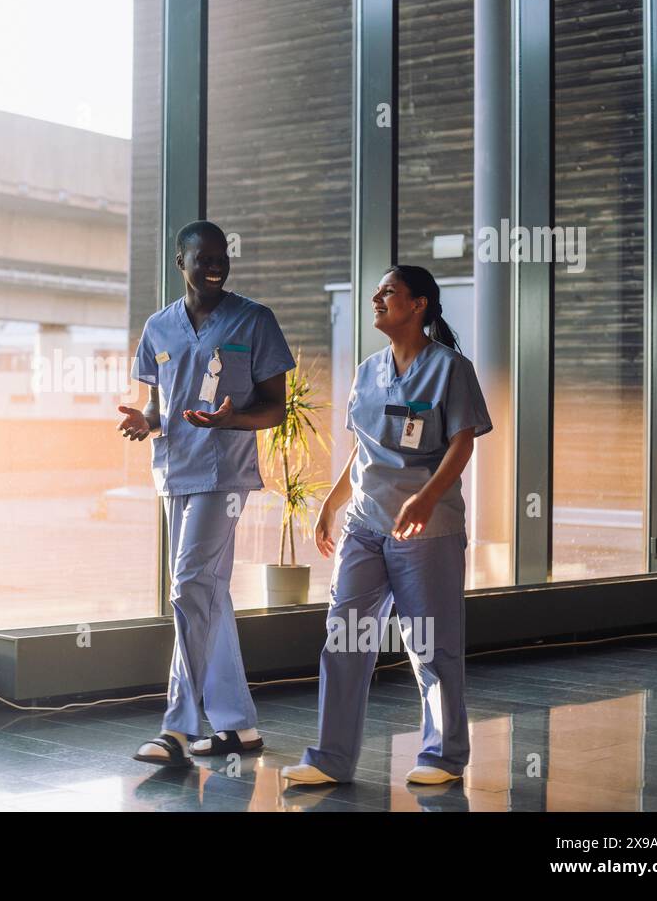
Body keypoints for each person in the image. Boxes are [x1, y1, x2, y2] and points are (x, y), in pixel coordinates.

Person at [281, 264, 492, 787]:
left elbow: (463, 440)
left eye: (389, 292)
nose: (377, 298)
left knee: (430, 643)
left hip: (428, 528)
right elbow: (364, 448)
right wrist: (332, 503)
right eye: (376, 291)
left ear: (418, 304)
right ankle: (330, 759)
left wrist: (426, 497)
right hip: (365, 524)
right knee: (344, 640)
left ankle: (443, 756)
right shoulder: (368, 369)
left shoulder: (451, 369)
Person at [117, 220, 295, 768]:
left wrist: (235, 418)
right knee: (209, 593)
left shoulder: (254, 319)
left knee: (190, 584)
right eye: (204, 258)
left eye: (222, 257)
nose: (215, 265)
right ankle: (238, 727)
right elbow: (157, 405)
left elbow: (276, 407)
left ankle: (177, 727)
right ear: (181, 263)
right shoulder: (158, 328)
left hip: (225, 476)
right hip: (174, 473)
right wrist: (146, 422)